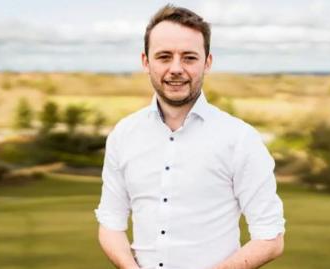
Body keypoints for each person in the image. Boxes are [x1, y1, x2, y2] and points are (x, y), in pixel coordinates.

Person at [94, 4, 285, 269]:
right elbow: (110, 224)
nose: (176, 68)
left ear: (207, 62)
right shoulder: (123, 135)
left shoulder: (240, 139)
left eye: (189, 57)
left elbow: (270, 237)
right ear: (145, 62)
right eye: (163, 56)